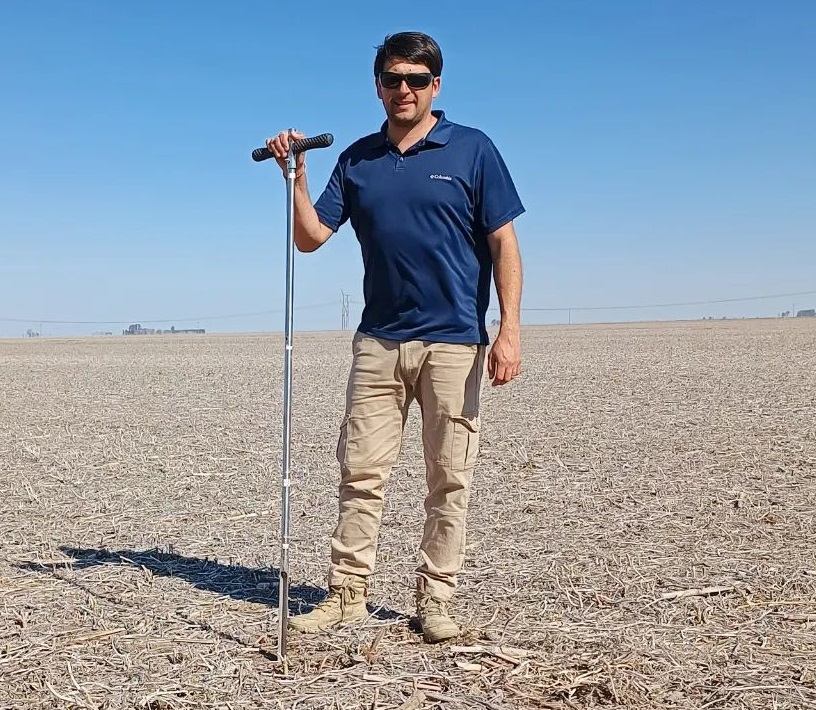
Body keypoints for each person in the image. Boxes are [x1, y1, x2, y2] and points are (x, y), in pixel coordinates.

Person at [265, 31, 524, 643]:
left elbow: (504, 243)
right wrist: (295, 174)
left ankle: (435, 600)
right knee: (360, 472)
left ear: (436, 85)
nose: (403, 90)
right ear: (377, 86)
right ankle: (348, 592)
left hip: (455, 341)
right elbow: (311, 238)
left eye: (415, 79)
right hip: (378, 341)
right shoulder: (357, 159)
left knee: (449, 476)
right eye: (392, 80)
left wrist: (508, 329)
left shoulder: (473, 150)